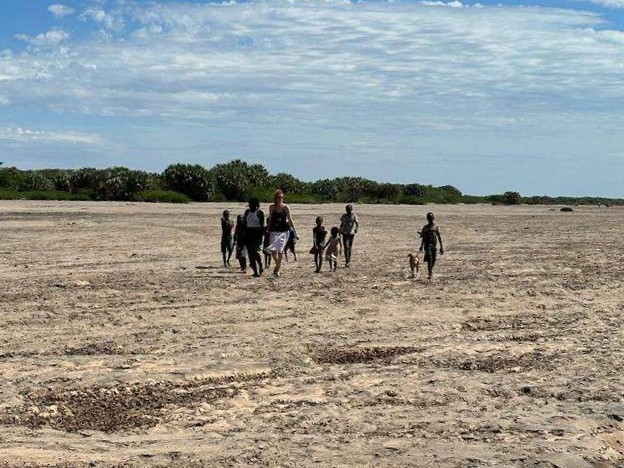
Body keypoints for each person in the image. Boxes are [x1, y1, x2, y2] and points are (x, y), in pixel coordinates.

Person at [266, 189, 296, 277]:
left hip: (283, 232)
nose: (280, 199)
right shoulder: (271, 207)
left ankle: (277, 270)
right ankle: (278, 264)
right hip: (274, 231)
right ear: (275, 198)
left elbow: (290, 220)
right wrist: (268, 229)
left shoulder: (286, 207)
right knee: (273, 251)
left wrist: (295, 231)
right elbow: (270, 219)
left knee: (280, 251)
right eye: (279, 197)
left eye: (282, 197)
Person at [243, 197, 265, 277]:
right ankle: (255, 271)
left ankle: (260, 265)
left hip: (256, 234)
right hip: (248, 233)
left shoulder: (259, 213)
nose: (250, 206)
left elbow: (262, 225)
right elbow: (244, 223)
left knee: (255, 252)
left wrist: (260, 234)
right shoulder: (247, 212)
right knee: (250, 253)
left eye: (252, 204)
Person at [418, 212, 444, 281]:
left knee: (433, 260)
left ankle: (430, 270)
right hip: (427, 245)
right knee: (429, 259)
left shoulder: (436, 227)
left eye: (431, 218)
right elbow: (423, 237)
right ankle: (430, 273)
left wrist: (441, 247)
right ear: (427, 219)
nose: (430, 219)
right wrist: (421, 246)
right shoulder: (425, 227)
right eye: (429, 218)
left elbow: (439, 237)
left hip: (434, 245)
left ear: (433, 218)